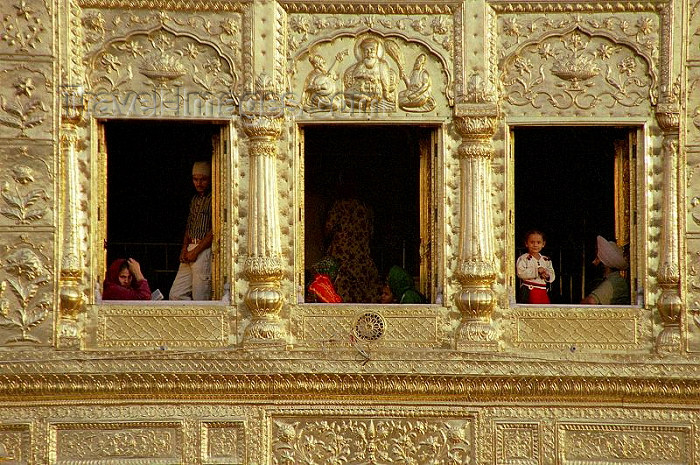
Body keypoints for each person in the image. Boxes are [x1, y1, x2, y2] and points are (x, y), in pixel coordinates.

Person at [325, 176, 382, 303]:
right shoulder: (366, 208)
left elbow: (328, 228)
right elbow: (371, 233)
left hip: (342, 259)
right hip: (362, 259)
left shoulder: (339, 206)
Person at [170, 161, 213, 300]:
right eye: (195, 179)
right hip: (190, 249)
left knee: (201, 297)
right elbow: (190, 225)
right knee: (176, 295)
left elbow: (214, 231)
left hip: (203, 250)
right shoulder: (195, 199)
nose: (199, 183)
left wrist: (196, 251)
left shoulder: (214, 199)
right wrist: (184, 249)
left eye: (203, 179)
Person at [343, 36, 398, 111]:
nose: (369, 53)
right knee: (346, 94)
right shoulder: (361, 64)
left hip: (375, 89)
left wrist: (386, 93)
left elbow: (385, 81)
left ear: (376, 51)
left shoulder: (382, 64)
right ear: (363, 52)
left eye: (372, 50)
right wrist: (364, 76)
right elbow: (355, 75)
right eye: (366, 50)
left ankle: (365, 101)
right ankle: (362, 102)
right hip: (360, 89)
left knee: (350, 100)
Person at [581, 235, 630, 305]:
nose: (594, 262)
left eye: (597, 258)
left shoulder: (615, 281)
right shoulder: (610, 280)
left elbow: (590, 302)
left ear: (604, 262)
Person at [516, 230, 555, 304]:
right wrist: (536, 271)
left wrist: (547, 275)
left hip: (543, 291)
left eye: (538, 242)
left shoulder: (546, 260)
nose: (535, 245)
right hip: (529, 289)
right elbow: (520, 273)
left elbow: (552, 274)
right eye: (532, 242)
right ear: (526, 243)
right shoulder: (524, 258)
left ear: (543, 244)